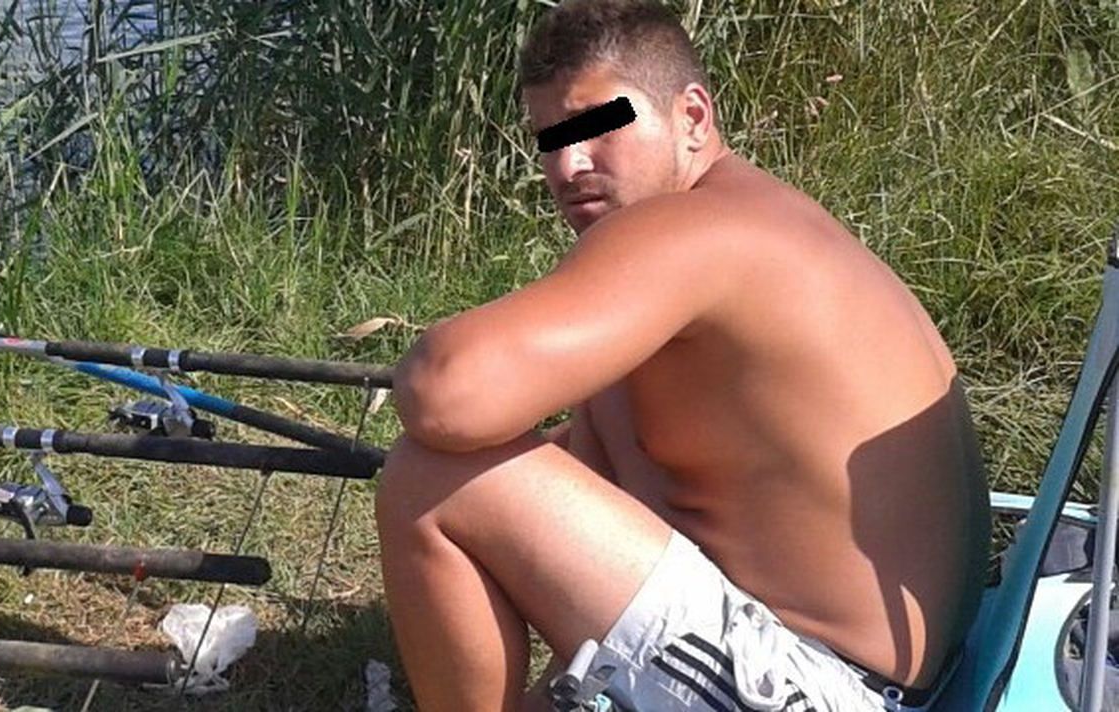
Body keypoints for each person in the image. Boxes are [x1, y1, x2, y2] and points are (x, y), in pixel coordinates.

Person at [374, 1, 991, 710]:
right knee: (586, 423)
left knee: (431, 475)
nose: (568, 165)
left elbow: (447, 395)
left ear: (693, 116)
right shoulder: (765, 218)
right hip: (875, 680)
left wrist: (420, 360)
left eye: (596, 126)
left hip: (826, 687)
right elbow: (606, 470)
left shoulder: (695, 229)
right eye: (550, 140)